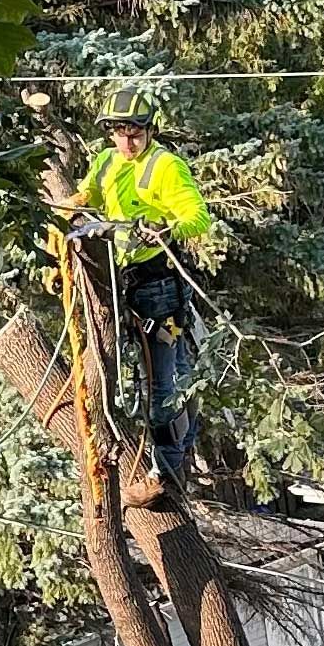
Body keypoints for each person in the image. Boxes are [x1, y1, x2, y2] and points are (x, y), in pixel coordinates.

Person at [70, 85, 211, 509]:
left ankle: (165, 475)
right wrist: (69, 205)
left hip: (158, 288)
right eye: (119, 133)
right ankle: (157, 457)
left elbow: (197, 216)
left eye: (135, 134)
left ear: (149, 131)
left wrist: (165, 227)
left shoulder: (165, 167)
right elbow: (88, 194)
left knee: (163, 388)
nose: (127, 143)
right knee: (140, 380)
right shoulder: (107, 162)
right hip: (122, 282)